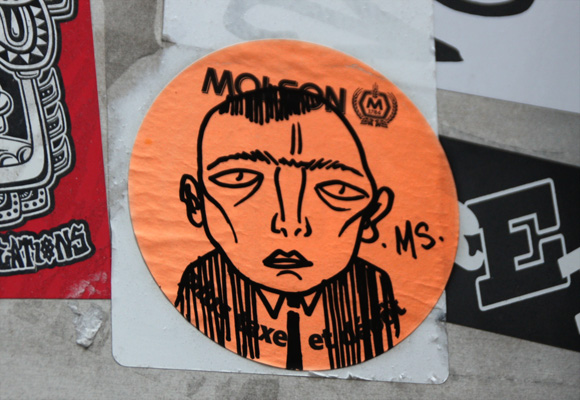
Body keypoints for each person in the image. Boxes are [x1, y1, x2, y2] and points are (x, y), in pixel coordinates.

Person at [175, 86, 405, 370]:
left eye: (337, 189)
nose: (290, 224)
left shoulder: (373, 293)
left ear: (371, 215)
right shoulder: (202, 286)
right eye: (239, 178)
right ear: (196, 202)